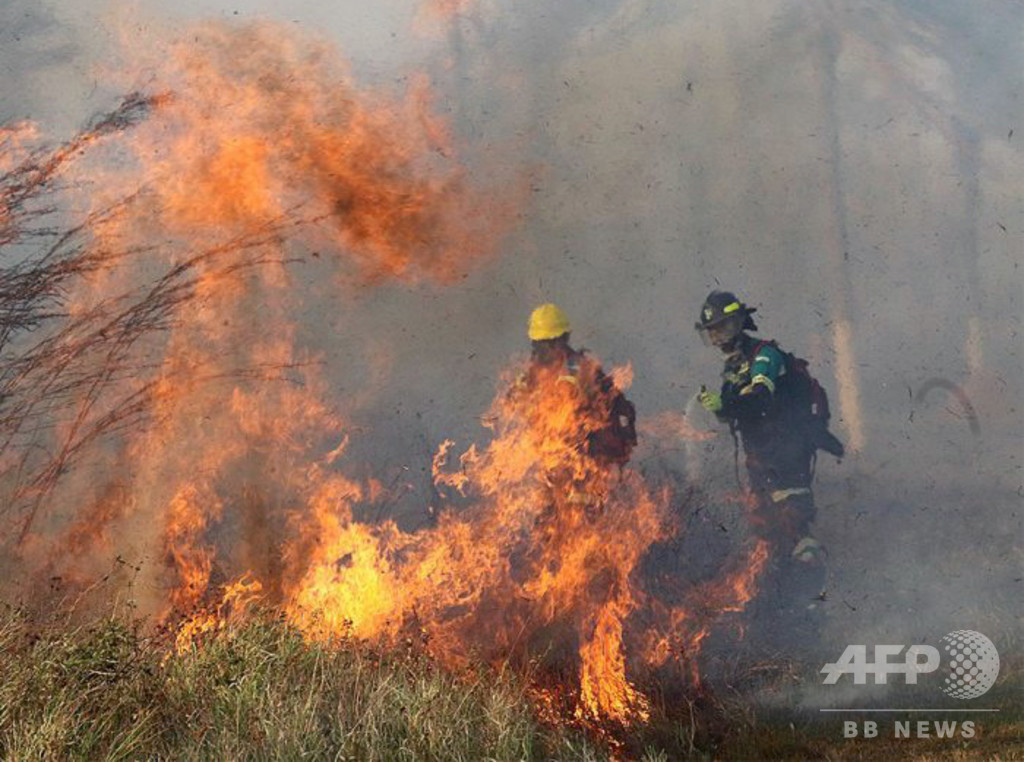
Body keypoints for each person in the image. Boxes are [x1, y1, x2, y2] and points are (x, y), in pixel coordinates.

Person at [695, 290, 843, 570]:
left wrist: (725, 403)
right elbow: (737, 412)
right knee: (767, 529)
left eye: (723, 329)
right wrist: (720, 407)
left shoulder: (765, 356)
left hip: (788, 449)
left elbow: (761, 400)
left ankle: (814, 589)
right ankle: (782, 594)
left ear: (739, 323)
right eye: (712, 333)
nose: (718, 339)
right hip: (761, 454)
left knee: (794, 523)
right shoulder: (734, 368)